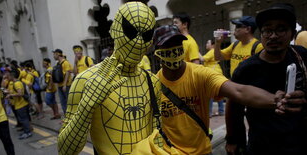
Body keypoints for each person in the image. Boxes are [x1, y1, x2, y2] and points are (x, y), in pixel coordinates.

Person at [153, 24, 306, 155]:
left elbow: (239, 91)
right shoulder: (152, 84)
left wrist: (276, 100)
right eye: (167, 46)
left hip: (200, 152)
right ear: (157, 53)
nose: (174, 50)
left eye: (177, 44)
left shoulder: (199, 74)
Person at [58, 2, 161, 154]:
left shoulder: (152, 82)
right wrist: (86, 108)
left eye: (146, 35)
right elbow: (65, 151)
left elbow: (157, 134)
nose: (138, 42)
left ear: (150, 41)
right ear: (114, 30)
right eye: (130, 31)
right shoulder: (85, 81)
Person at [225, 3, 307, 155]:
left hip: (298, 141)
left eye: (281, 29)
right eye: (267, 30)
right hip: (262, 144)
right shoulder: (246, 69)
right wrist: (233, 139)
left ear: (292, 33)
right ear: (261, 34)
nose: (273, 36)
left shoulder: (301, 56)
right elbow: (234, 107)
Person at [6, 69, 32, 139]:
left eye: (9, 76)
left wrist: (11, 95)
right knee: (24, 118)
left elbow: (20, 93)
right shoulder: (17, 82)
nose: (8, 78)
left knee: (24, 119)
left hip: (21, 105)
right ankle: (27, 131)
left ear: (12, 76)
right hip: (21, 104)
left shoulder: (17, 83)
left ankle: (28, 132)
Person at [203, 39, 224, 117]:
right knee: (218, 92)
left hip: (213, 74)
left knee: (210, 93)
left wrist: (195, 52)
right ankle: (221, 111)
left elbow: (202, 59)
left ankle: (209, 113)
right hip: (217, 73)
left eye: (207, 43)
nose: (206, 44)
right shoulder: (212, 51)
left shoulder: (212, 51)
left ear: (212, 45)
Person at [0, 73, 15, 155]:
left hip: (1, 119)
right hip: (2, 119)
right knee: (7, 142)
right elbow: (2, 103)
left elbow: (3, 103)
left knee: (7, 142)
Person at [52, 49, 72, 114]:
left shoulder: (65, 62)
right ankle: (66, 116)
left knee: (68, 102)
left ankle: (71, 117)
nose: (53, 56)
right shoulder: (58, 63)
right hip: (60, 85)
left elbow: (68, 72)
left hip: (66, 85)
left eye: (54, 54)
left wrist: (64, 85)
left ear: (57, 54)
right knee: (63, 102)